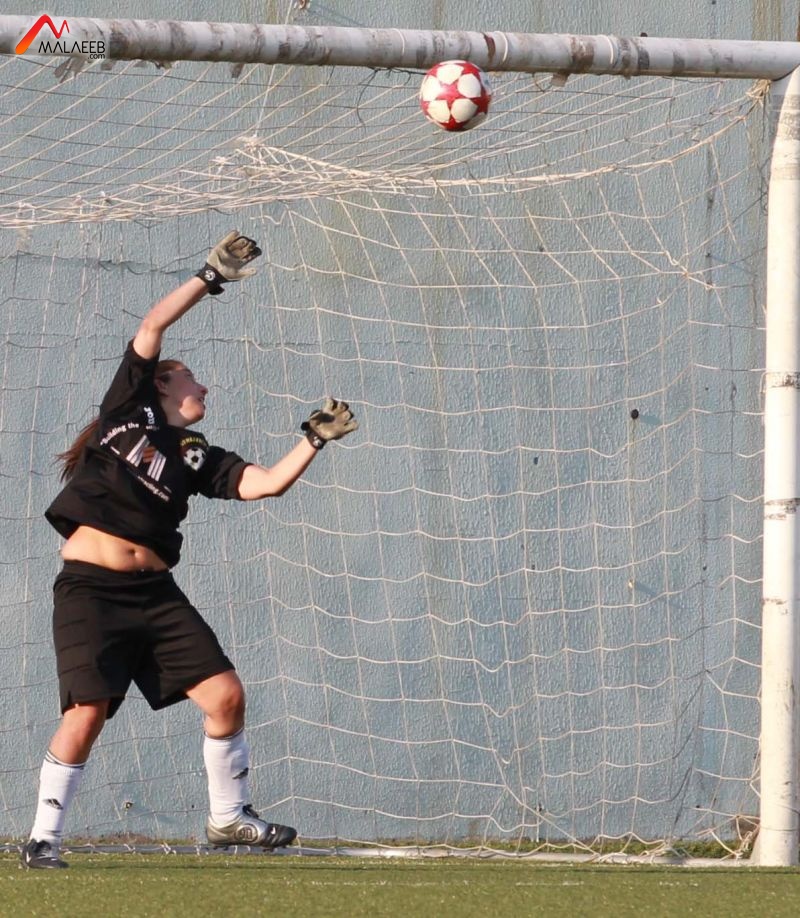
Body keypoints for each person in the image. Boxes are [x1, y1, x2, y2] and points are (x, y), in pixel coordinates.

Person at [21, 231, 358, 869]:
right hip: (92, 590)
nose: (203, 387)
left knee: (226, 695)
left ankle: (229, 818)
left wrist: (313, 441)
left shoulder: (196, 455)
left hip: (154, 594)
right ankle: (44, 838)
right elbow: (153, 324)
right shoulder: (128, 408)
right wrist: (211, 276)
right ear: (162, 386)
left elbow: (265, 484)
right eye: (191, 378)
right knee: (88, 712)